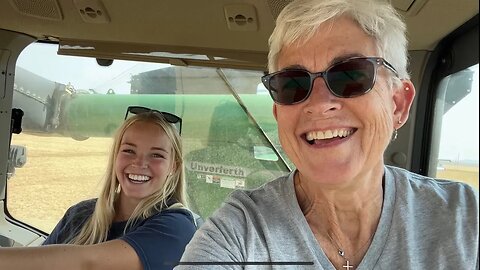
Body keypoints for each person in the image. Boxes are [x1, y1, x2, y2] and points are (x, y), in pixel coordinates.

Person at [176, 0, 479, 269]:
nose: (319, 105)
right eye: (292, 84)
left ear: (398, 103)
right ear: (279, 114)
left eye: (350, 75)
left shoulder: (465, 220)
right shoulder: (240, 233)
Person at [0, 110, 197, 270]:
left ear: (174, 167)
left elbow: (88, 263)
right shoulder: (81, 213)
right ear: (115, 156)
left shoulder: (177, 227)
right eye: (129, 150)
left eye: (156, 155)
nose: (139, 163)